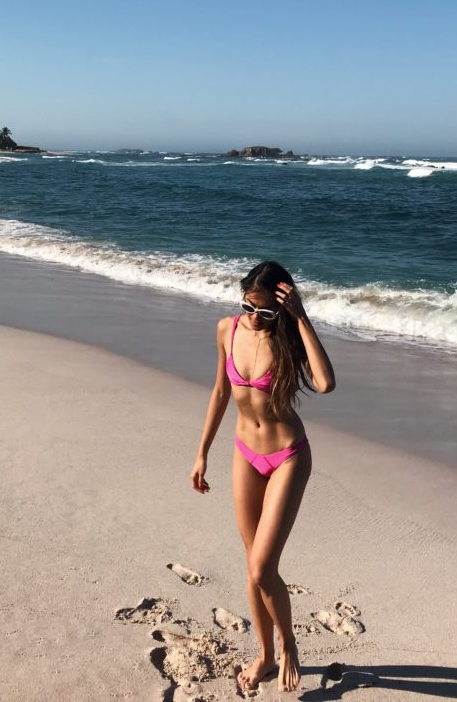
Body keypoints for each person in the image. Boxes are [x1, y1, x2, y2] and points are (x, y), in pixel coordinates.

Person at [191, 260, 336, 692]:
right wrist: (201, 453)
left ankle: (289, 645)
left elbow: (326, 383)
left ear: (281, 306)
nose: (255, 318)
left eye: (266, 312)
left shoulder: (288, 337)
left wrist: (301, 317)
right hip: (244, 454)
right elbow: (220, 392)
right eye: (248, 307)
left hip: (288, 457)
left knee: (261, 567)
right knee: (254, 566)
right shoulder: (227, 329)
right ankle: (266, 656)